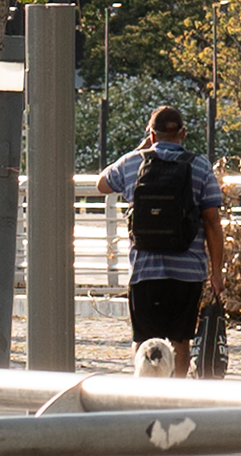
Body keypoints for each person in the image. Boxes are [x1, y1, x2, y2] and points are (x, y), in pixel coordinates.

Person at [96, 104, 226, 375]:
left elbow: (102, 185)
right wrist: (216, 273)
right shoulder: (199, 165)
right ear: (183, 134)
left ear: (151, 135)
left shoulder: (134, 163)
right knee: (181, 341)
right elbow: (212, 222)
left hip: (145, 269)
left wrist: (140, 148)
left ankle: (144, 395)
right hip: (188, 272)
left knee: (143, 340)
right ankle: (175, 400)